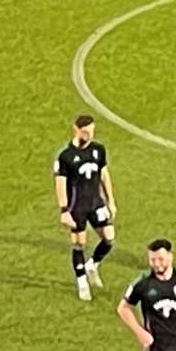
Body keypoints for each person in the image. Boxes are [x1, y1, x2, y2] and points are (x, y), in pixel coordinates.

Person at [53, 114, 118, 301]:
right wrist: (64, 210)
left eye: (91, 131)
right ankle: (82, 281)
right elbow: (60, 183)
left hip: (95, 202)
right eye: (85, 131)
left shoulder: (98, 150)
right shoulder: (66, 157)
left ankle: (92, 265)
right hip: (77, 205)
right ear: (76, 130)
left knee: (109, 237)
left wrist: (110, 201)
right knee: (79, 244)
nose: (89, 135)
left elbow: (104, 175)